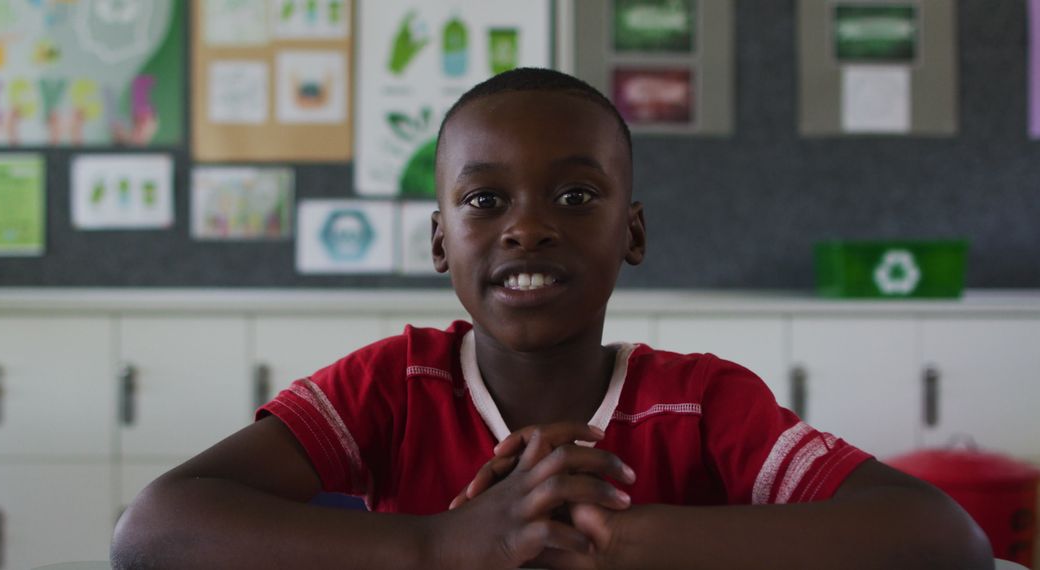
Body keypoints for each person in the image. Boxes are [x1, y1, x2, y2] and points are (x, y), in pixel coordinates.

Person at [111, 68, 992, 569]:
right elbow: (153, 532)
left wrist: (634, 539)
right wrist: (442, 546)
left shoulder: (701, 403)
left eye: (576, 195)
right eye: (485, 199)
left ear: (632, 232)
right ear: (440, 242)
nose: (527, 225)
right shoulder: (392, 384)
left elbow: (943, 540)